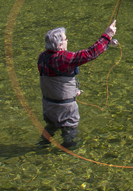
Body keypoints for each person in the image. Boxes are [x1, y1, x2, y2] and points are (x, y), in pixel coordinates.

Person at [37, 20, 117, 149]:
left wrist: (73, 91)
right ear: (59, 45)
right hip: (65, 109)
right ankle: (70, 155)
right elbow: (90, 54)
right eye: (65, 39)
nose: (67, 41)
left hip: (48, 106)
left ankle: (41, 147)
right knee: (69, 134)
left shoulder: (42, 57)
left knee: (50, 128)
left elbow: (55, 81)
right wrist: (107, 36)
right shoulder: (63, 59)